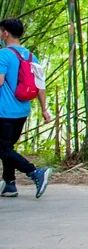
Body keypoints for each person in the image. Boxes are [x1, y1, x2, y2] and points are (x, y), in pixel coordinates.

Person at [0, 18, 53, 199]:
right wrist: (44, 109)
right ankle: (9, 184)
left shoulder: (3, 55)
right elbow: (40, 86)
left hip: (4, 112)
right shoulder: (31, 56)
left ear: (5, 32)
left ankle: (35, 172)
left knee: (3, 149)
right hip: (22, 112)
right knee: (8, 147)